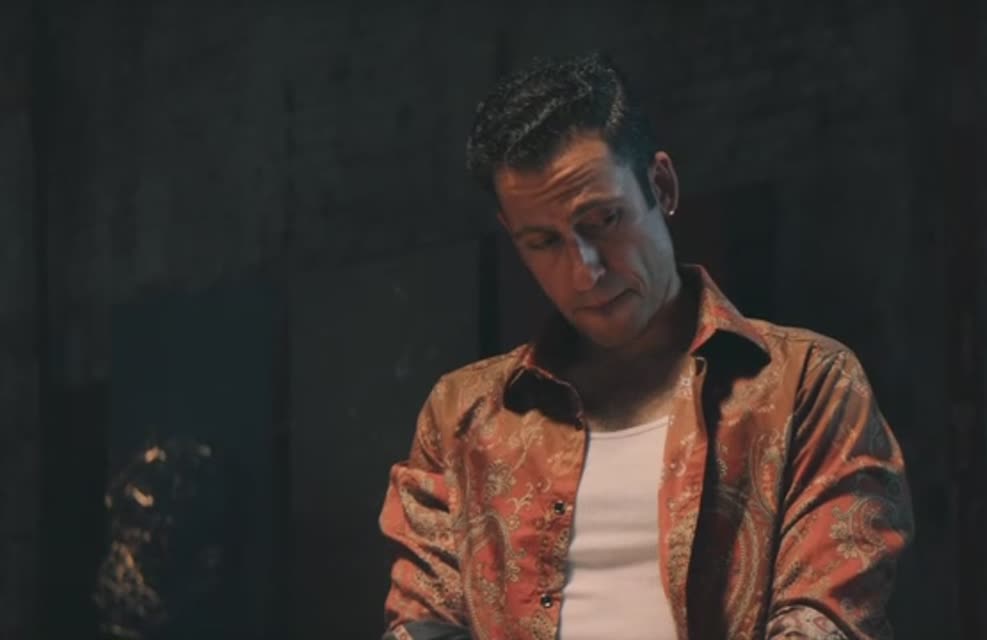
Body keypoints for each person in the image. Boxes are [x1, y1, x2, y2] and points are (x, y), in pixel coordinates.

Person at [378, 52, 913, 640]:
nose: (584, 273)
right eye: (543, 242)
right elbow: (423, 624)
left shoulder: (807, 384)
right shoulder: (462, 416)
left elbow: (827, 618)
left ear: (661, 185)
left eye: (603, 221)